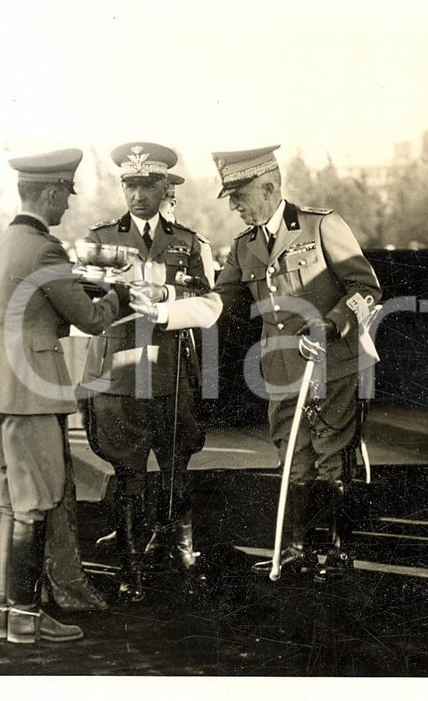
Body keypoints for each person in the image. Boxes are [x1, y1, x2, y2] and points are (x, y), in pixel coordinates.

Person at [131, 145, 382, 581]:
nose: (233, 206)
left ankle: (340, 553)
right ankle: (299, 550)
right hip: (282, 373)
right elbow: (217, 303)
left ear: (268, 188)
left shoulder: (320, 225)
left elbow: (367, 288)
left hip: (334, 365)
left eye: (239, 195)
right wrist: (166, 309)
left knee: (332, 458)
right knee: (293, 461)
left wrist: (332, 324)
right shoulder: (244, 247)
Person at [0, 148, 120, 644]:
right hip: (29, 394)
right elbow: (92, 321)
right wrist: (121, 292)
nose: (68, 207)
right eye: (66, 196)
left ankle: (5, 617)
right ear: (51, 192)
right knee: (32, 509)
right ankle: (27, 621)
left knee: (11, 507)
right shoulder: (45, 251)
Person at [78, 143, 213, 602]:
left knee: (177, 468)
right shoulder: (98, 240)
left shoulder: (188, 243)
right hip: (118, 373)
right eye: (128, 184)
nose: (136, 194)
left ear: (164, 187)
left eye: (145, 185)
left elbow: (209, 304)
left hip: (171, 373)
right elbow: (85, 303)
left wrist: (166, 299)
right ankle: (131, 567)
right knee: (129, 473)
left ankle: (182, 555)